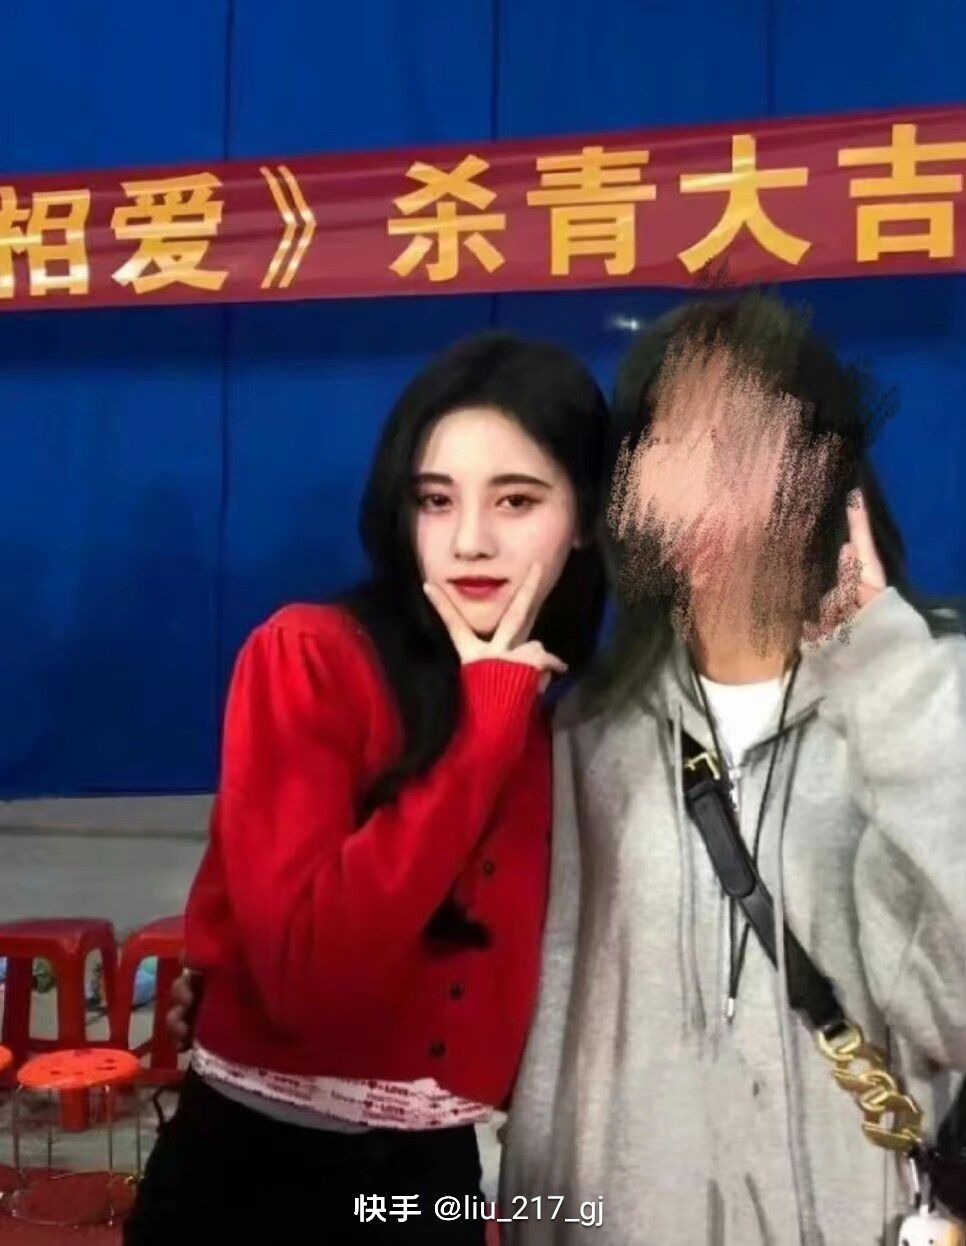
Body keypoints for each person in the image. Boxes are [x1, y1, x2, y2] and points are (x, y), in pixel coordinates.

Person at [498, 292, 966, 1245]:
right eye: (674, 443)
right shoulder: (588, 731)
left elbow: (949, 1018)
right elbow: (553, 1037)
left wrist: (893, 688)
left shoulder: (928, 696)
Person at [124, 331, 609, 1246]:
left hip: (434, 1176)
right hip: (260, 1173)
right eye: (435, 500)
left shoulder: (561, 715)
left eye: (516, 499)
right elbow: (307, 979)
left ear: (584, 516)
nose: (470, 540)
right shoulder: (308, 657)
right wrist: (481, 734)